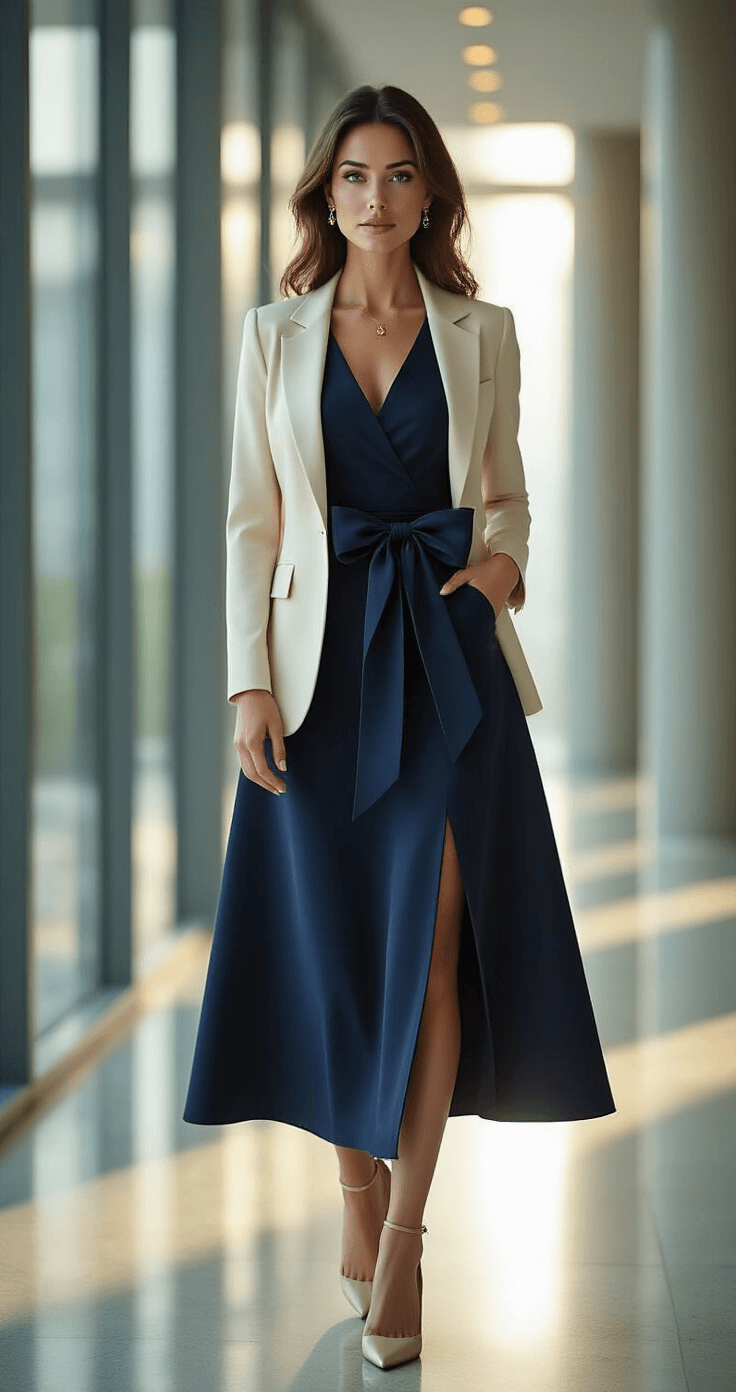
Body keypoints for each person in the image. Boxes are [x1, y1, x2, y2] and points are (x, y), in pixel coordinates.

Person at [183, 84, 615, 1371]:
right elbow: (250, 523)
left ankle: (408, 1241)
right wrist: (246, 684)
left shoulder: (483, 331)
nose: (377, 199)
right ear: (327, 194)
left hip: (443, 664)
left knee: (431, 946)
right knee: (338, 952)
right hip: (316, 683)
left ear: (431, 193)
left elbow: (507, 496)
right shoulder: (275, 334)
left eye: (401, 175)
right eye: (354, 177)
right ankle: (355, 1196)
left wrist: (497, 570)